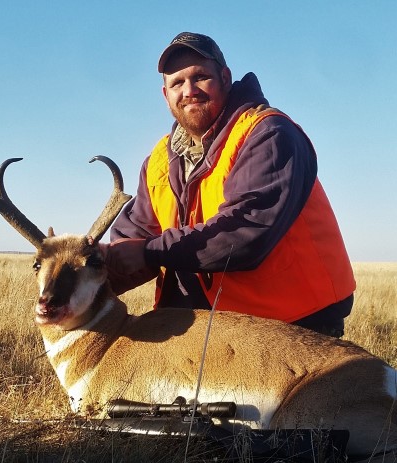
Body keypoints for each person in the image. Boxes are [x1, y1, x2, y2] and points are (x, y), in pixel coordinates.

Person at [103, 32, 356, 337]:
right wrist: (76, 274)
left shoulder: (268, 133)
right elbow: (134, 240)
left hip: (290, 327)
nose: (189, 91)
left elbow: (244, 230)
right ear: (165, 94)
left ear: (225, 77)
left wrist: (148, 252)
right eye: (177, 83)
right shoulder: (159, 159)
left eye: (201, 77)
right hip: (207, 329)